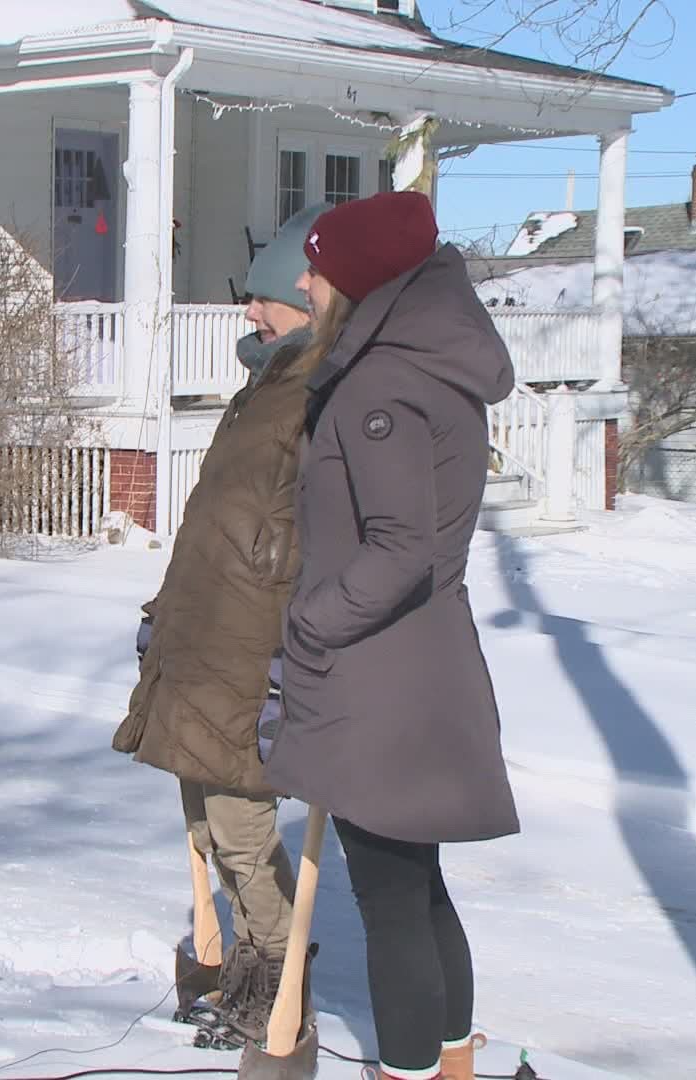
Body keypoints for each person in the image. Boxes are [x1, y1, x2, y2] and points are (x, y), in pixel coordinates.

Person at [264, 190, 520, 1080]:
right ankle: (451, 1064)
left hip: (380, 671)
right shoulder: (422, 364)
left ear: (362, 279)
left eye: (319, 266)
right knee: (416, 882)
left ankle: (408, 1071)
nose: (305, 280)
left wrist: (310, 623)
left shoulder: (382, 383)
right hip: (421, 658)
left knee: (390, 897)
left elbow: (401, 547)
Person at [113, 203, 328, 1042]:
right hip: (204, 632)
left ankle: (282, 984)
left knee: (240, 826)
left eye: (263, 298)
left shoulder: (314, 393)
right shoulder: (265, 388)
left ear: (308, 306)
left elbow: (322, 527)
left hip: (249, 644)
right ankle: (249, 965)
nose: (248, 311)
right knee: (204, 822)